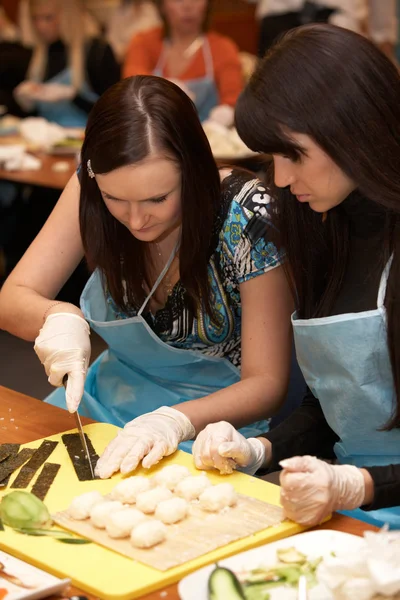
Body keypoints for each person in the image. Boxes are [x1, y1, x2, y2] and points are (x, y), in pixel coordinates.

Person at [0, 75, 293, 479]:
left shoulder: (245, 213)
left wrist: (172, 421)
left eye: (158, 199)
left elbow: (268, 383)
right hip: (104, 401)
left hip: (211, 428)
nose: (136, 220)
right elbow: (13, 296)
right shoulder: (91, 181)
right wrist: (56, 315)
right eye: (114, 199)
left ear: (193, 170)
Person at [192, 24, 400, 529]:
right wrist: (259, 449)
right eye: (273, 157)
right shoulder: (324, 225)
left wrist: (362, 484)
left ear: (352, 127)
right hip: (351, 507)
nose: (281, 179)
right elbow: (331, 406)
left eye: (295, 154)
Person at [123, 0, 243, 125]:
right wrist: (162, 88)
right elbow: (131, 83)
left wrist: (227, 112)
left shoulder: (223, 48)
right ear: (162, 6)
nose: (188, 6)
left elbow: (233, 98)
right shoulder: (143, 42)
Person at [12, 0, 119, 127]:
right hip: (47, 138)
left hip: (88, 138)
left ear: (68, 16)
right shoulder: (38, 55)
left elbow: (114, 113)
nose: (40, 26)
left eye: (48, 18)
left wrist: (73, 97)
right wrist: (26, 102)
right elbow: (35, 117)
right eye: (35, 18)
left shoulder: (97, 51)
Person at [247, 0, 397, 60]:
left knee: (339, 101)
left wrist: (383, 36)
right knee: (276, 101)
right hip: (278, 19)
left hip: (337, 21)